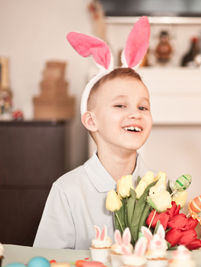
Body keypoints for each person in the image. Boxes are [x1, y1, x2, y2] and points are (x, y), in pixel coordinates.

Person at [34, 17, 152, 249]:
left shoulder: (158, 189)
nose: (135, 114)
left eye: (143, 107)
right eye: (120, 106)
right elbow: (47, 259)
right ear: (91, 120)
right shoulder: (67, 191)